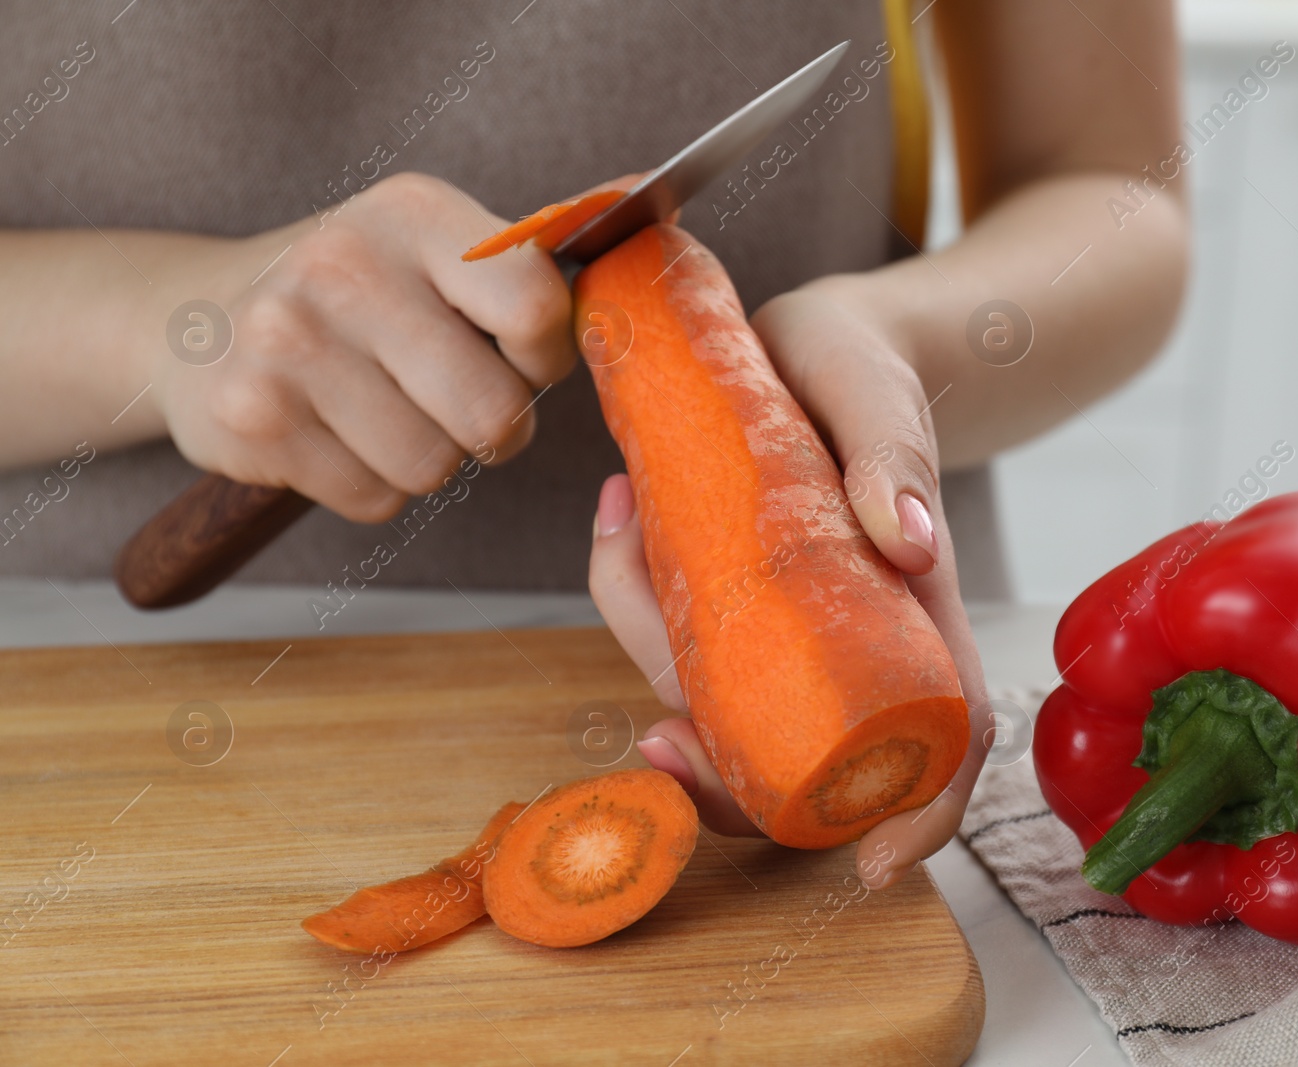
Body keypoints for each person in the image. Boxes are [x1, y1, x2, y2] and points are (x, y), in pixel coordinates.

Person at [0, 1, 1186, 890]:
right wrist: (161, 325)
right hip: (91, 699)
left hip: (848, 655)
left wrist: (889, 343)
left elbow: (1113, 189)